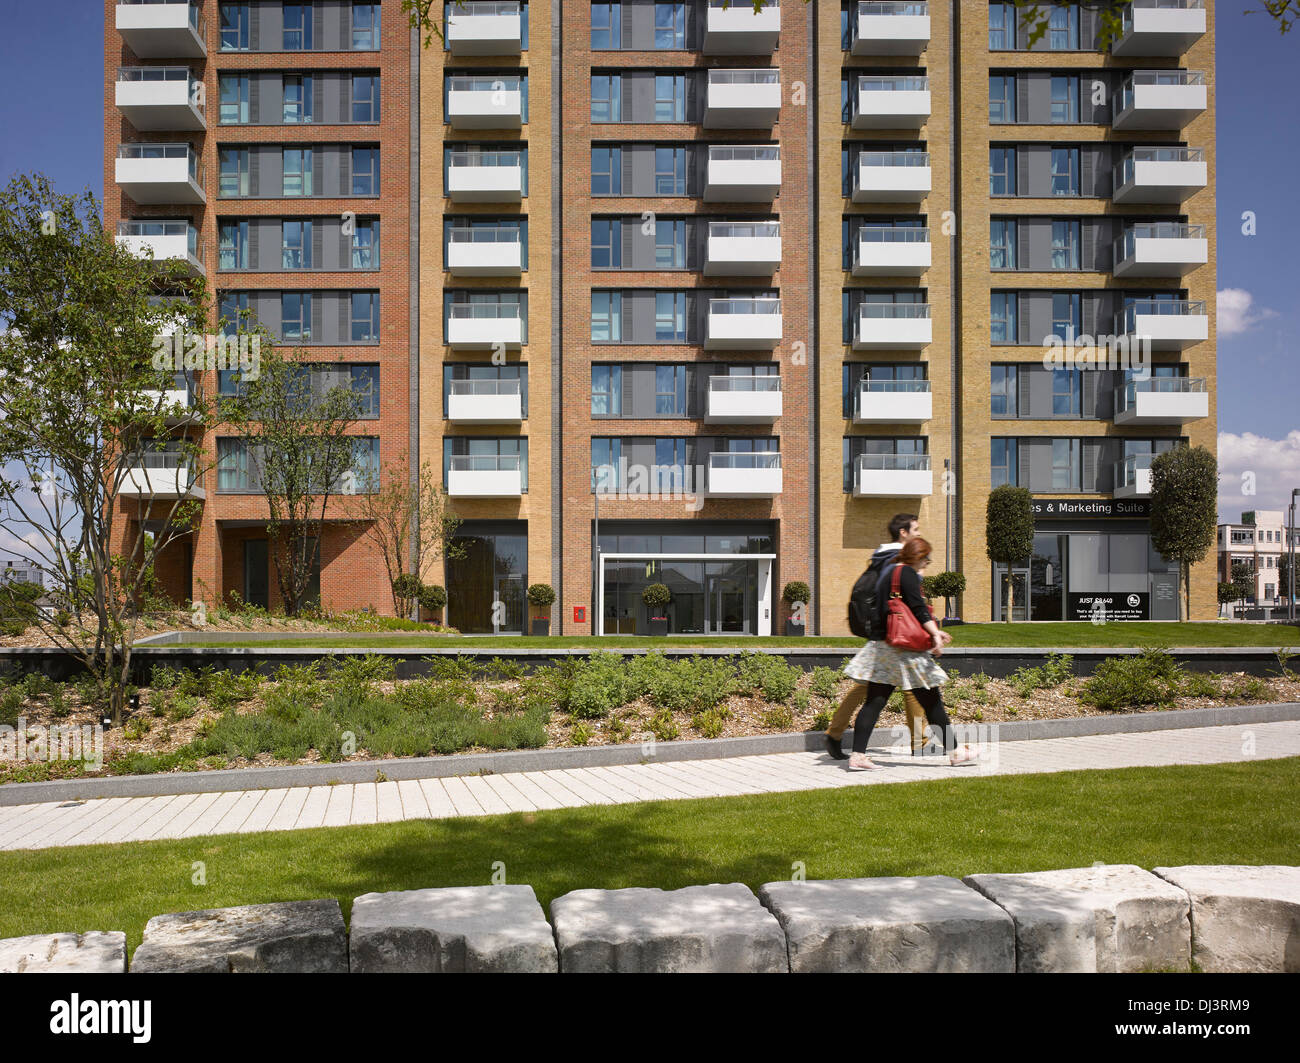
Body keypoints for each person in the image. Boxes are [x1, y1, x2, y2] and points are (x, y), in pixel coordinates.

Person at [843, 537, 981, 770]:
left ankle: (857, 756)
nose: (927, 562)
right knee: (932, 702)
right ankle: (956, 752)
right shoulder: (906, 573)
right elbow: (917, 608)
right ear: (918, 556)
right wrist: (935, 634)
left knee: (874, 702)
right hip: (907, 653)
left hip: (886, 648)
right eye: (926, 557)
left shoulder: (889, 572)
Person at [824, 513, 921, 760]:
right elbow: (903, 599)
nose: (919, 534)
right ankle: (920, 742)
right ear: (903, 532)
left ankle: (835, 734)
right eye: (916, 529)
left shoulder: (880, 557)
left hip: (882, 631)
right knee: (913, 686)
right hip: (896, 633)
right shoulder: (898, 559)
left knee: (868, 685)